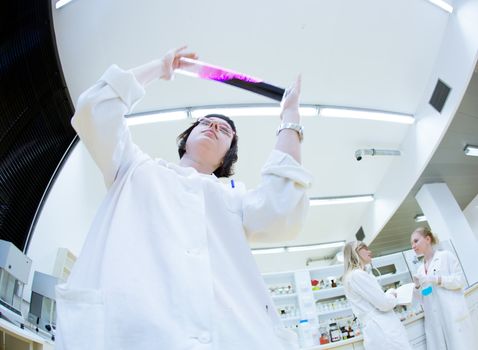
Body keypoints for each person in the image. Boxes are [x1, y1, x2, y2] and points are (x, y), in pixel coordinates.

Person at [54, 46, 312, 350]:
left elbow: (281, 210)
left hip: (231, 337)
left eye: (225, 130)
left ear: (226, 158)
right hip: (132, 334)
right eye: (205, 122)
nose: (215, 126)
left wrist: (290, 116)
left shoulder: (235, 197)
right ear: (185, 138)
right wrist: (159, 68)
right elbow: (95, 109)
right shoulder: (133, 167)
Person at [410, 227, 478, 350]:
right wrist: (417, 286)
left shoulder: (445, 256)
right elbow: (425, 296)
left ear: (427, 239)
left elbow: (459, 280)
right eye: (411, 244)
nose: (413, 246)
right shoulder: (420, 270)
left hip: (452, 315)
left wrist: (437, 279)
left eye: (416, 241)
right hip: (436, 321)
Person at [342, 241, 412, 350]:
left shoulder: (355, 275)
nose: (370, 251)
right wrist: (392, 294)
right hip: (383, 329)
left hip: (378, 329)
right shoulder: (357, 275)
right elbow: (384, 304)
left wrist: (387, 296)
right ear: (355, 252)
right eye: (365, 248)